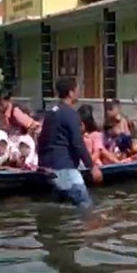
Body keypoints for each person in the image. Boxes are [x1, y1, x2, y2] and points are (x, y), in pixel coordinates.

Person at [38, 76, 102, 208]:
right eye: (77, 89)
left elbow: (42, 140)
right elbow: (78, 143)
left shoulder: (50, 113)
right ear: (71, 92)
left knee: (59, 208)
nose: (79, 92)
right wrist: (92, 167)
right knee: (86, 207)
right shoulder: (71, 114)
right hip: (65, 167)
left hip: (47, 168)